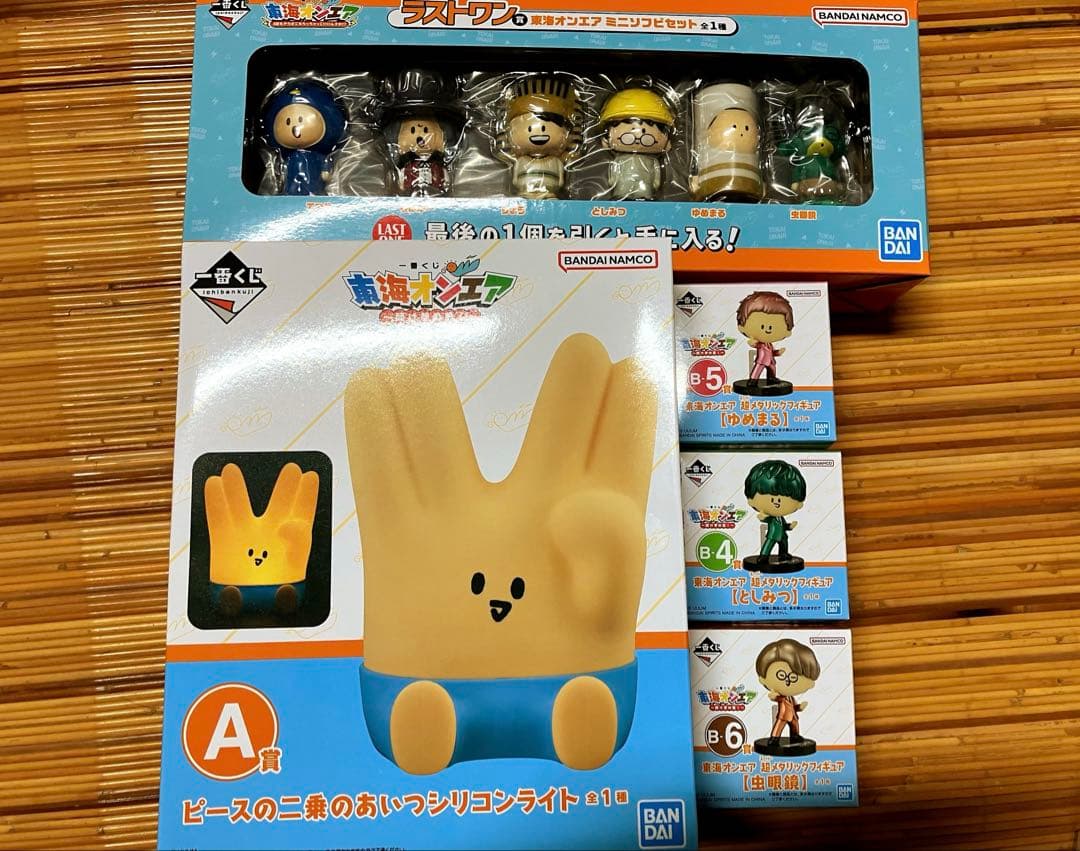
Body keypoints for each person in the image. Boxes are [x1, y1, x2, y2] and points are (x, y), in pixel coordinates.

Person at [262, 79, 348, 196]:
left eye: (301, 120)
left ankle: (312, 194)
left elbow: (325, 162)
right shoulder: (288, 155)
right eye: (288, 122)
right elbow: (281, 167)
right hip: (290, 186)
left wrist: (325, 169)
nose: (295, 128)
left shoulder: (319, 154)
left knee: (314, 190)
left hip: (314, 185)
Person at [598, 87, 674, 201]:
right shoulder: (620, 159)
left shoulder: (652, 160)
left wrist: (656, 182)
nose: (638, 136)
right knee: (621, 193)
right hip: (622, 186)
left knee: (644, 194)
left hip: (645, 187)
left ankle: (644, 198)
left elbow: (657, 171)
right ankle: (621, 197)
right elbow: (614, 168)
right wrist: (613, 179)